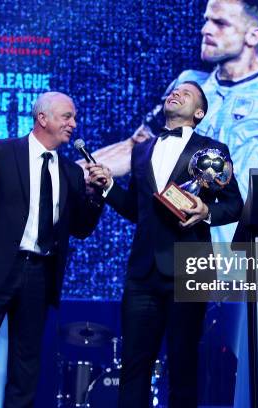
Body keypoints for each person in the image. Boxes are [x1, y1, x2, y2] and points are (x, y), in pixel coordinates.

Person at [87, 81, 243, 408]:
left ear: (199, 112)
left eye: (186, 94)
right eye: (173, 92)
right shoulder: (140, 150)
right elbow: (136, 209)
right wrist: (109, 187)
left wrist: (206, 212)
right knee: (134, 365)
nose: (176, 94)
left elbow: (234, 205)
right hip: (143, 273)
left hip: (189, 270)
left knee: (183, 365)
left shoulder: (213, 150)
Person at [0, 92, 104, 407]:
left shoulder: (71, 171)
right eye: (66, 117)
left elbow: (81, 229)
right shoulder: (1, 152)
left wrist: (97, 195)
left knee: (27, 363)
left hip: (39, 275)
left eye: (73, 117)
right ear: (43, 118)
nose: (73, 124)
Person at [87, 0, 258, 243]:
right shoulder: (189, 85)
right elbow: (135, 146)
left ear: (253, 36)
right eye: (206, 20)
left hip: (239, 244)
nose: (206, 30)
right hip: (179, 238)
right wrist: (70, 173)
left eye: (220, 23)